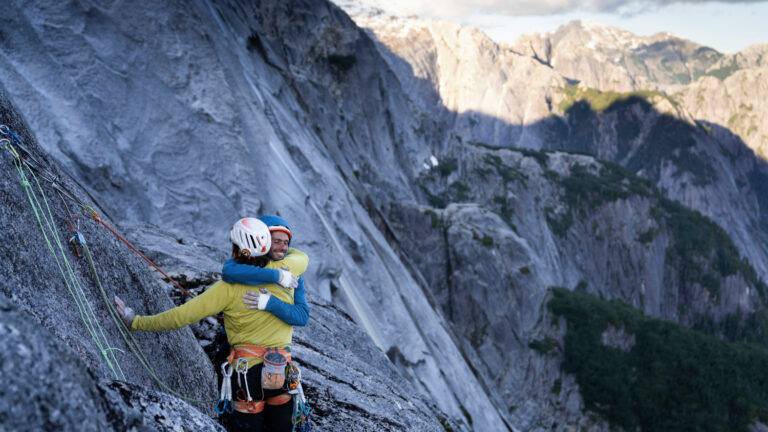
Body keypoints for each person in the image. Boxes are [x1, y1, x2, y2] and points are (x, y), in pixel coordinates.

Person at [115, 216, 309, 432]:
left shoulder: (227, 287)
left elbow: (180, 316)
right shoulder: (289, 271)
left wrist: (136, 321)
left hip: (247, 377)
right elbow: (300, 258)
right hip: (281, 372)